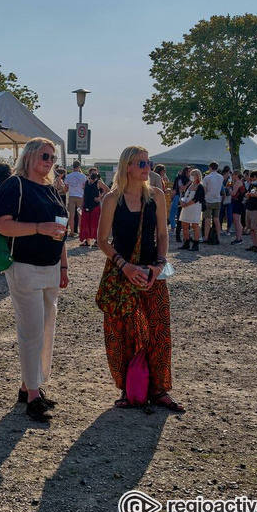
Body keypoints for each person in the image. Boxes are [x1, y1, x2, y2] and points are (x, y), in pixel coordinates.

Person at [97, 146, 184, 412]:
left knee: (159, 329)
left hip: (151, 273)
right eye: (142, 163)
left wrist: (159, 265)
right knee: (122, 333)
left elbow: (163, 234)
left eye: (149, 162)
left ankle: (158, 390)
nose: (148, 167)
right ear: (128, 167)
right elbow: (102, 240)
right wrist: (124, 266)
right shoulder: (113, 199)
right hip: (123, 273)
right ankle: (129, 389)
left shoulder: (156, 195)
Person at [0, 137, 69, 422]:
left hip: (50, 267)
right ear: (29, 157)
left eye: (52, 157)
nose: (49, 161)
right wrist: (39, 228)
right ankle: (33, 394)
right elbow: (1, 224)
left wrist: (64, 267)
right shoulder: (15, 185)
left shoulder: (51, 188)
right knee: (32, 329)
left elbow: (60, 230)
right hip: (24, 266)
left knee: (46, 328)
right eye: (44, 156)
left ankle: (29, 386)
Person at [79, 167, 109, 247]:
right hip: (86, 204)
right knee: (86, 223)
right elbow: (84, 194)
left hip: (95, 206)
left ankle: (97, 241)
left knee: (95, 223)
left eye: (96, 174)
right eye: (93, 174)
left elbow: (107, 190)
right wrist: (81, 205)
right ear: (89, 174)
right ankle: (87, 241)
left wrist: (100, 198)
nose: (94, 175)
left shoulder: (98, 182)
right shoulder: (86, 182)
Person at [177, 168, 205, 252]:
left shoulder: (200, 186)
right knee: (184, 224)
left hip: (194, 207)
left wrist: (187, 204)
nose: (191, 176)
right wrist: (182, 201)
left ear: (197, 176)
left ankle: (196, 244)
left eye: (193, 175)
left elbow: (198, 198)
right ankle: (186, 242)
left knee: (195, 225)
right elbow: (185, 195)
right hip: (186, 207)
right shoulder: (190, 185)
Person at [201, 162, 224, 245]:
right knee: (216, 219)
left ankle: (206, 237)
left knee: (207, 220)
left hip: (208, 199)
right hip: (217, 199)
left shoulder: (207, 178)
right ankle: (218, 237)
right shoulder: (221, 177)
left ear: (210, 167)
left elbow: (205, 190)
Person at [64, 161, 87, 237]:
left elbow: (66, 189)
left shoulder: (68, 176)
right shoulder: (83, 176)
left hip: (71, 196)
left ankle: (72, 231)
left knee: (72, 215)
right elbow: (84, 187)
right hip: (80, 196)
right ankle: (81, 232)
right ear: (79, 166)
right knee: (80, 215)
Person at [229, 169, 246, 245]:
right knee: (237, 221)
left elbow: (233, 193)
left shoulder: (238, 182)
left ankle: (238, 238)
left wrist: (229, 189)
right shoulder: (240, 182)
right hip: (239, 202)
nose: (232, 176)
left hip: (237, 202)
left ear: (236, 174)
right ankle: (238, 237)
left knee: (237, 221)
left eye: (233, 174)